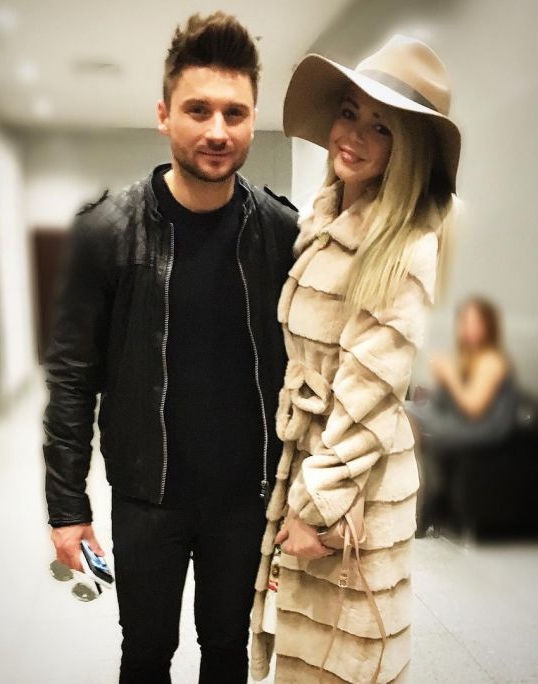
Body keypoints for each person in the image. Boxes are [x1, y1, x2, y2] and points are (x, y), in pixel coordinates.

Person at [43, 12, 298, 684]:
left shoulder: (282, 232)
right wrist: (67, 509)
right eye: (198, 109)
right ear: (164, 115)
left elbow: (308, 374)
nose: (218, 130)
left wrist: (302, 498)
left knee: (227, 651)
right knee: (147, 653)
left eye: (235, 113)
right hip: (146, 496)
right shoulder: (106, 232)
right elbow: (72, 379)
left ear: (253, 120)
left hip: (246, 498)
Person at [250, 36, 461, 683]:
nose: (355, 135)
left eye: (382, 127)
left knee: (345, 660)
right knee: (312, 652)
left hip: (351, 480)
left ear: (409, 148)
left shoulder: (405, 243)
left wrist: (314, 505)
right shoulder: (324, 220)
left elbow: (369, 393)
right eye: (349, 113)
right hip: (316, 459)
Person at [407, 296, 519, 534]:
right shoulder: (468, 358)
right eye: (464, 321)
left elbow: (473, 407)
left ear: (488, 326)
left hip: (482, 429)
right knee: (405, 412)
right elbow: (447, 404)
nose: (468, 327)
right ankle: (425, 500)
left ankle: (422, 505)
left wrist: (450, 375)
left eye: (475, 322)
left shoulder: (492, 360)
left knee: (408, 419)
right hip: (461, 422)